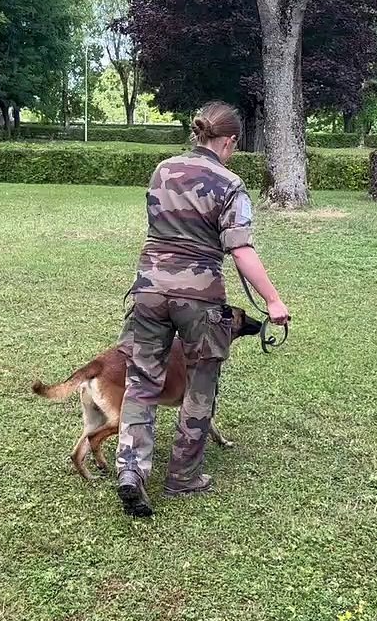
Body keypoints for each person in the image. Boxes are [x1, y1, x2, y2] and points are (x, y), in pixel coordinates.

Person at [115, 101, 290, 518]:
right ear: (228, 141)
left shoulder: (162, 170)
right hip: (200, 297)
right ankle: (183, 477)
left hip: (148, 288)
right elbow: (241, 249)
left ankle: (131, 471)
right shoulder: (230, 184)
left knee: (140, 382)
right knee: (200, 385)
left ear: (198, 133)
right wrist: (273, 300)